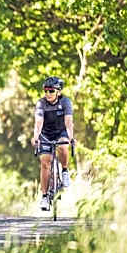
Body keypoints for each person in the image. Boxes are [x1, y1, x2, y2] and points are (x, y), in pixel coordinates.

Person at [31, 76, 74, 211]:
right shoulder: (41, 103)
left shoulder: (66, 102)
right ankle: (44, 197)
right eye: (46, 91)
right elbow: (38, 123)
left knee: (62, 145)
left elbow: (68, 122)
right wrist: (36, 137)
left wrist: (71, 138)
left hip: (61, 132)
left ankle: (65, 171)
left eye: (51, 91)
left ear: (58, 92)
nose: (48, 94)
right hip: (46, 134)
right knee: (45, 163)